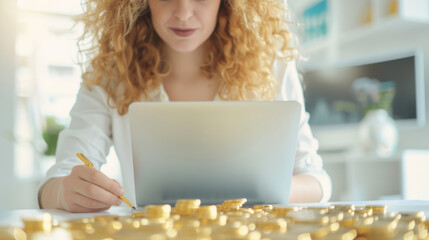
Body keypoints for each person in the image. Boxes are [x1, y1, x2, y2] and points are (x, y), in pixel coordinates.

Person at [39, 0, 332, 213]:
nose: (183, 12)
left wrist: (258, 194)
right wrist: (63, 193)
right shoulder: (109, 74)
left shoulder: (272, 66)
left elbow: (317, 181)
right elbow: (57, 180)